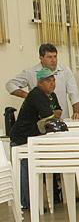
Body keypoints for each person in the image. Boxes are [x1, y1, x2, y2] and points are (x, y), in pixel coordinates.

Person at [8, 68, 61, 209]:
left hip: (30, 138)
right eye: (48, 81)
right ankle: (26, 203)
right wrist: (53, 116)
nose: (52, 83)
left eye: (53, 80)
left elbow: (56, 113)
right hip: (21, 139)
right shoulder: (37, 94)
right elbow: (50, 116)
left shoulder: (48, 95)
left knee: (29, 170)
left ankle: (33, 201)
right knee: (25, 172)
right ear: (40, 82)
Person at [6, 43, 79, 120]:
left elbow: (74, 94)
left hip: (62, 119)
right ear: (41, 58)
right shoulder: (31, 72)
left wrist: (77, 113)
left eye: (55, 56)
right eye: (49, 57)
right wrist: (28, 96)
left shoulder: (65, 70)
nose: (53, 60)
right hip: (38, 122)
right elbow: (10, 85)